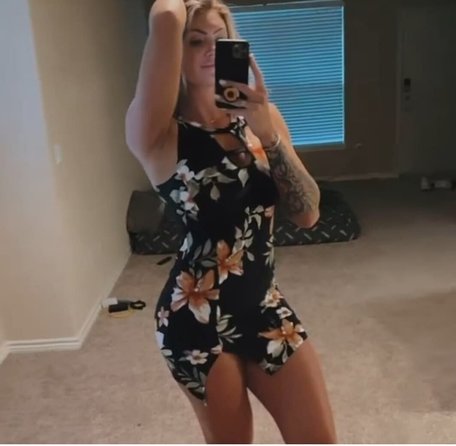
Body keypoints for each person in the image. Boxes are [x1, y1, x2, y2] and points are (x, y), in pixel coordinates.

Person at [125, 0, 337, 443]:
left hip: (264, 303)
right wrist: (180, 14)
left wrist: (267, 134)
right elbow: (165, 15)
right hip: (194, 315)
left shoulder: (263, 117)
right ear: (174, 50)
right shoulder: (158, 134)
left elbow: (309, 214)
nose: (209, 49)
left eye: (219, 40)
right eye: (195, 41)